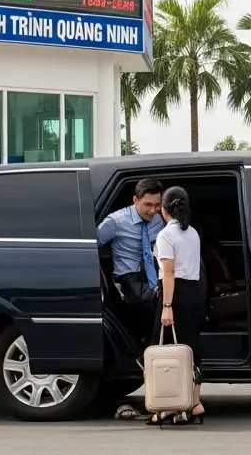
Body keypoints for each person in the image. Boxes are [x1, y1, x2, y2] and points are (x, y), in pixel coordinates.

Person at [147, 186, 205, 426]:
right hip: (194, 292)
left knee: (163, 348)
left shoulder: (165, 235)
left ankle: (169, 406)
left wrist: (167, 306)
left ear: (164, 209)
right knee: (190, 349)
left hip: (175, 293)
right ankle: (194, 403)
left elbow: (168, 272)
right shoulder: (192, 233)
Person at [96, 179, 165, 319]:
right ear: (135, 199)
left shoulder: (158, 220)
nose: (152, 210)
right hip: (128, 278)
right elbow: (91, 245)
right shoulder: (115, 221)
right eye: (148, 205)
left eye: (157, 205)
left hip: (153, 275)